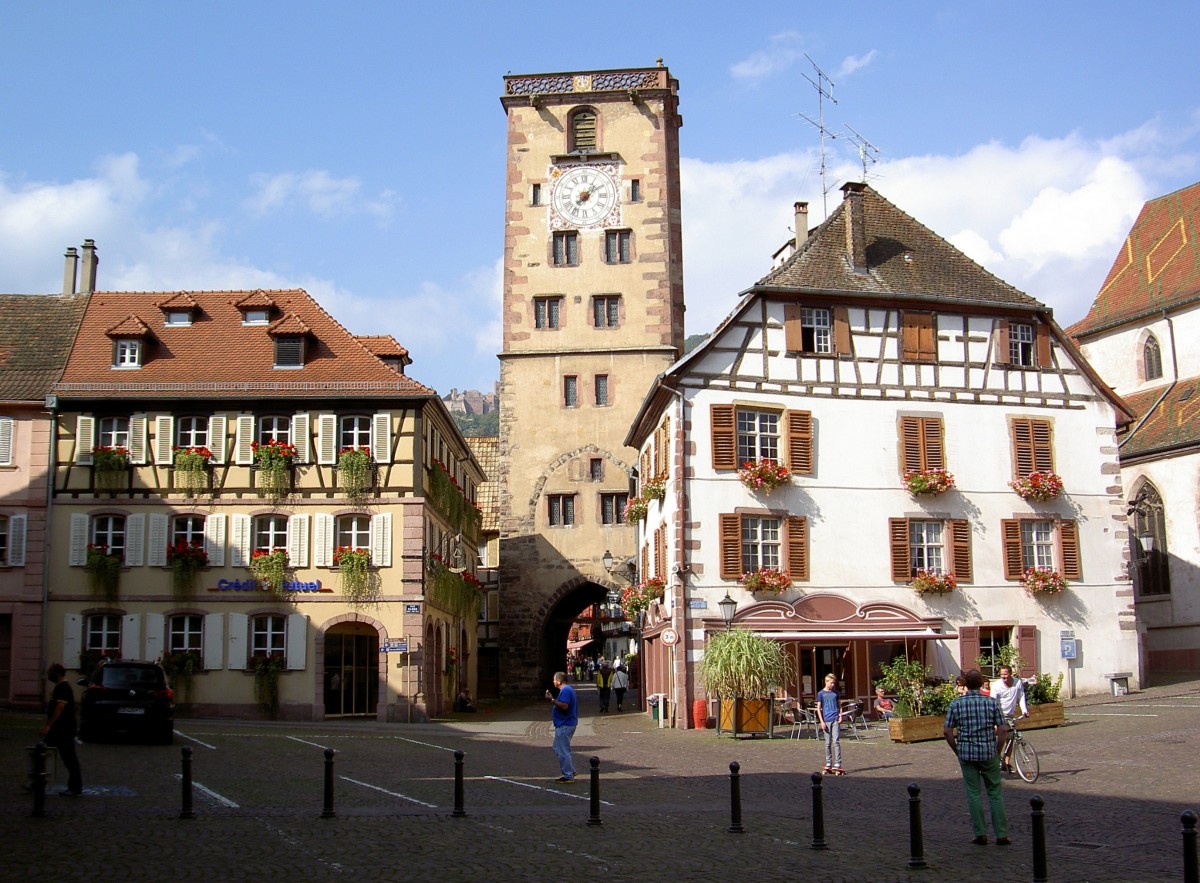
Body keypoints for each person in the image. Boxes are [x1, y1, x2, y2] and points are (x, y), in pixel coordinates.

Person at [943, 668, 1010, 846]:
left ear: (965, 684)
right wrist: (998, 749)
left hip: (967, 753)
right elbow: (1003, 730)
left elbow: (947, 731)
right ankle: (1001, 834)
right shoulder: (991, 703)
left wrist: (957, 749)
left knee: (974, 794)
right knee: (995, 793)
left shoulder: (956, 704)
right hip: (988, 752)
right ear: (982, 684)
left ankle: (980, 833)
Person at [40, 663, 82, 796]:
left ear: (57, 673)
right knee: (42, 753)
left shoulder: (63, 688)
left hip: (63, 729)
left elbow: (59, 708)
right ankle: (38, 781)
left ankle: (75, 787)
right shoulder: (61, 687)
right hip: (59, 729)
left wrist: (48, 725)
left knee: (69, 758)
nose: (48, 676)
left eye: (50, 673)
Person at [991, 665, 1028, 771]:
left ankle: (1006, 763)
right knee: (1001, 739)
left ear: (1010, 673)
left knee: (1011, 738)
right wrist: (994, 718)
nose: (1003, 676)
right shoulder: (996, 685)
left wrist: (1024, 710)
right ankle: (996, 759)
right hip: (999, 715)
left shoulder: (1017, 683)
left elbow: (1021, 697)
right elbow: (992, 702)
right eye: (1001, 674)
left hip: (1010, 716)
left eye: (1005, 674)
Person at [545, 671, 577, 783]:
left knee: (563, 750)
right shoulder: (565, 690)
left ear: (559, 681)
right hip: (564, 723)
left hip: (565, 724)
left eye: (554, 679)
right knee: (557, 747)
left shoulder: (566, 690)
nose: (553, 681)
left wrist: (552, 700)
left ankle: (568, 775)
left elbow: (564, 706)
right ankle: (570, 770)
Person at [816, 673, 844, 775]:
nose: (833, 685)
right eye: (831, 683)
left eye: (834, 683)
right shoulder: (821, 694)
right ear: (826, 682)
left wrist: (840, 716)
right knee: (827, 743)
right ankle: (828, 762)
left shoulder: (835, 693)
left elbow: (839, 705)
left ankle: (838, 763)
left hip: (835, 719)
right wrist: (821, 721)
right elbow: (818, 709)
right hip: (826, 720)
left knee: (836, 741)